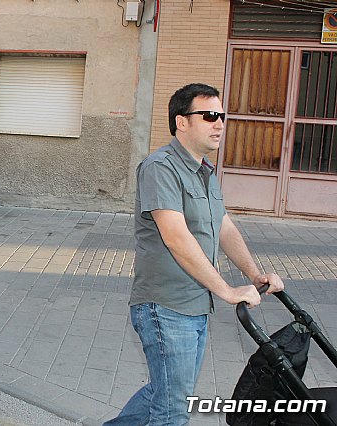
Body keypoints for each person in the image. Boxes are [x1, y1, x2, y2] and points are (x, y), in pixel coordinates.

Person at [104, 83, 285, 425]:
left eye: (221, 116)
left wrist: (254, 275)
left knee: (166, 392)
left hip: (195, 306)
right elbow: (176, 237)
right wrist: (227, 290)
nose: (219, 123)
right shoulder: (160, 168)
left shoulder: (204, 172)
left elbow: (223, 227)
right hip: (166, 307)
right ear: (181, 122)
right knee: (173, 411)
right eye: (209, 116)